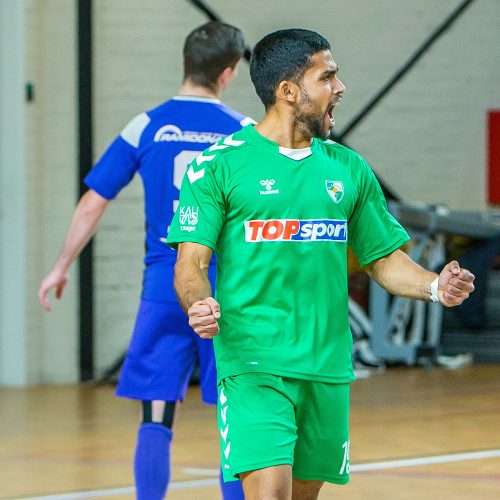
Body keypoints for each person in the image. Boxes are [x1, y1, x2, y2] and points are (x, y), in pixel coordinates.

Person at [167, 28, 475, 499]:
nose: (341, 87)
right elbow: (190, 261)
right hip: (253, 362)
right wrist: (198, 301)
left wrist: (435, 286)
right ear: (288, 91)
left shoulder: (348, 168)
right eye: (327, 76)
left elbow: (383, 260)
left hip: (327, 365)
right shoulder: (217, 166)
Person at [37, 21, 249, 500]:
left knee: (155, 414)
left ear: (186, 63)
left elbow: (93, 201)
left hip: (166, 286)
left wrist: (60, 266)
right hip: (226, 290)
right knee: (235, 416)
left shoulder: (147, 124)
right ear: (229, 73)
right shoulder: (243, 132)